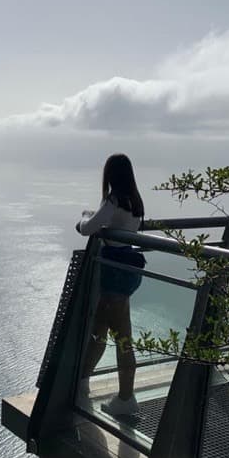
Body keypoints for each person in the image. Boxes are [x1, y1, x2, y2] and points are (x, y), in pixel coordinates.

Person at [76, 153, 145, 417]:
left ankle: (126, 398)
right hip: (127, 269)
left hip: (114, 273)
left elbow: (88, 228)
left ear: (110, 175)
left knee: (122, 337)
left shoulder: (114, 199)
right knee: (100, 329)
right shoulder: (134, 201)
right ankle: (82, 381)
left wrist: (84, 215)